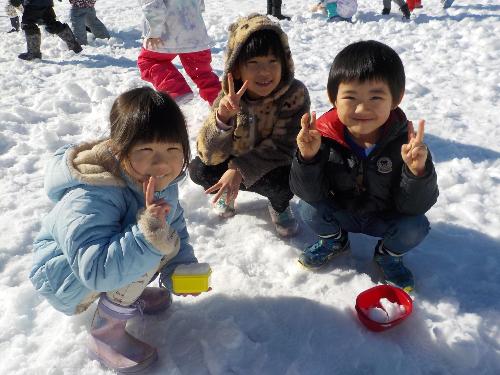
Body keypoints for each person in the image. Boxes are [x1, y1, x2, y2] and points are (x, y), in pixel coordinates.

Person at [29, 87, 204, 372]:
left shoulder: (160, 182)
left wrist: (181, 269)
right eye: (146, 150)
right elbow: (96, 269)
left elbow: (177, 229)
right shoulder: (92, 193)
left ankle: (127, 294)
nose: (161, 163)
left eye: (173, 149)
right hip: (65, 278)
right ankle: (105, 335)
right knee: (150, 239)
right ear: (119, 150)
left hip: (99, 265)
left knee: (156, 237)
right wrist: (149, 234)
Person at [290, 40, 438, 292]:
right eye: (350, 97)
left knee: (415, 226)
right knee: (308, 208)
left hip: (384, 216)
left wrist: (416, 173)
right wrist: (308, 157)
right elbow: (309, 192)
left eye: (376, 97)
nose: (361, 108)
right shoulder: (322, 137)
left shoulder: (408, 145)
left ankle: (388, 255)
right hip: (343, 211)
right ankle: (335, 241)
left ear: (396, 98)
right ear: (333, 98)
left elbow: (414, 207)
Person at [189, 14, 310, 237]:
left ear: (285, 63)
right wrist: (223, 118)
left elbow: (285, 147)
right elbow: (208, 153)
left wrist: (238, 169)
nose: (264, 72)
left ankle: (279, 205)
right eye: (253, 64)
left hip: (275, 165)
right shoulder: (229, 95)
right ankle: (229, 192)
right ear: (236, 69)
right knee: (199, 170)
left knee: (289, 182)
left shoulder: (294, 93)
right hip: (234, 162)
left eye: (273, 62)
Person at [137, 0, 221, 105]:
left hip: (166, 36)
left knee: (148, 61)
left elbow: (153, 6)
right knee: (202, 73)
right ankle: (220, 102)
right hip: (195, 33)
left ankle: (175, 90)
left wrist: (153, 32)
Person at [12, 0, 82, 60]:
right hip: (46, 2)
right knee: (52, 23)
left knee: (28, 24)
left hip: (32, 3)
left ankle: (34, 53)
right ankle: (74, 46)